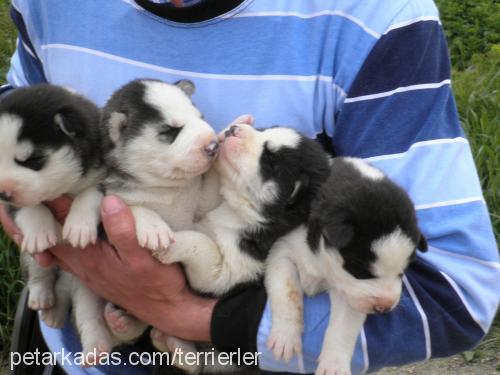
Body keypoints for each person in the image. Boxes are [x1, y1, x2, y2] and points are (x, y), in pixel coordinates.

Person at [1, 0, 499, 373]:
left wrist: (187, 313)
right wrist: (35, 218)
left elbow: (457, 292)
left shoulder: (373, 16)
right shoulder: (42, 4)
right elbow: (16, 128)